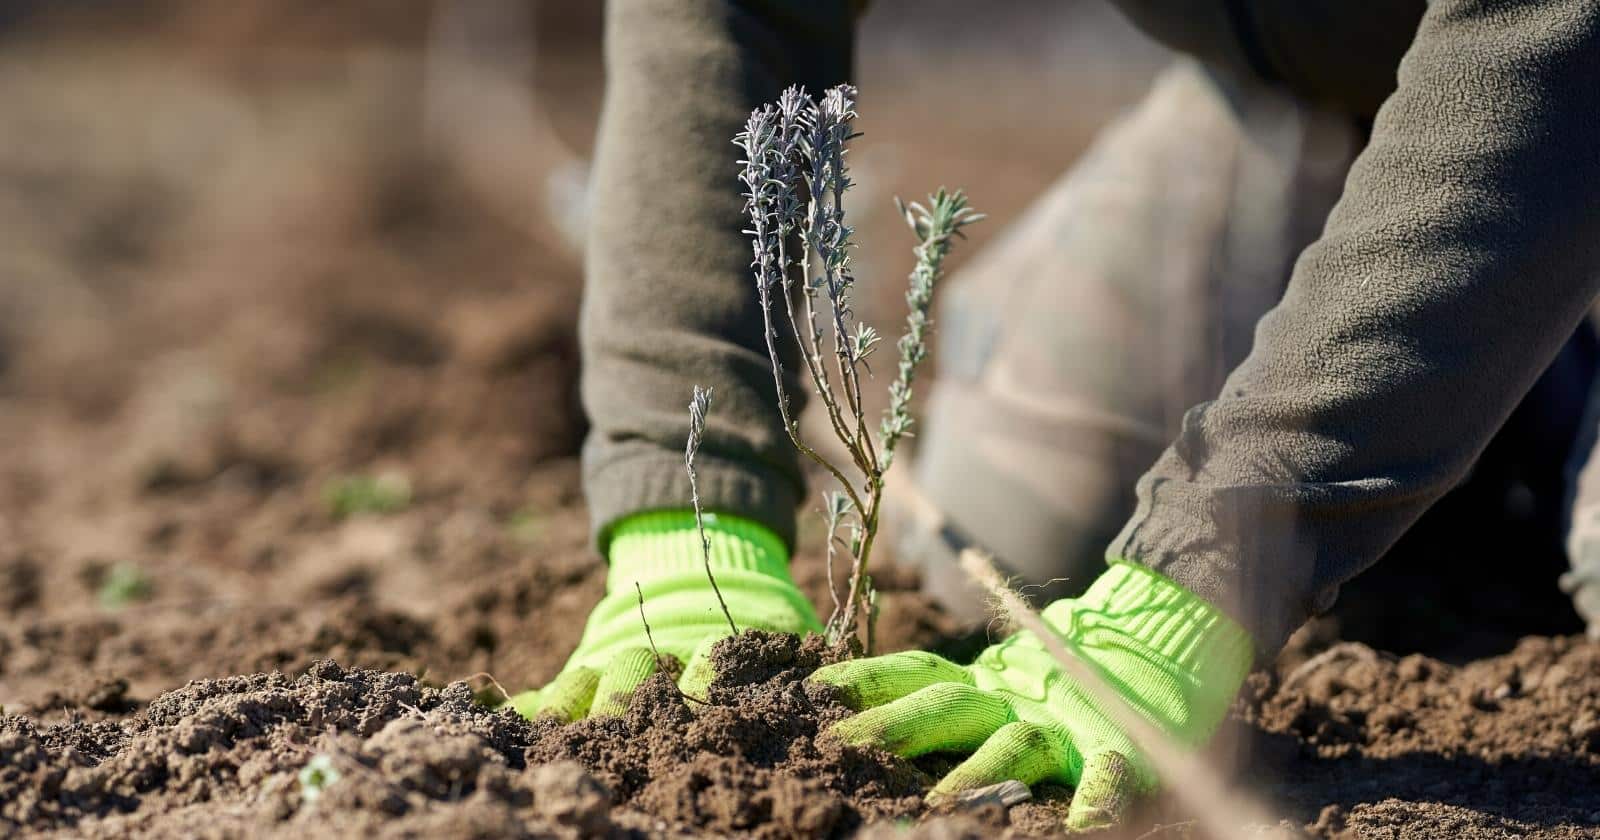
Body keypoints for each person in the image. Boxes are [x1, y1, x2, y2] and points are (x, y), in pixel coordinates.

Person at [509, 0, 1600, 828]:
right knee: (1015, 534)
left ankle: (1496, 380)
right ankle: (1485, 394)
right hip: (1318, 95)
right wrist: (688, 520)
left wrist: (1187, 588)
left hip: (1552, 57)